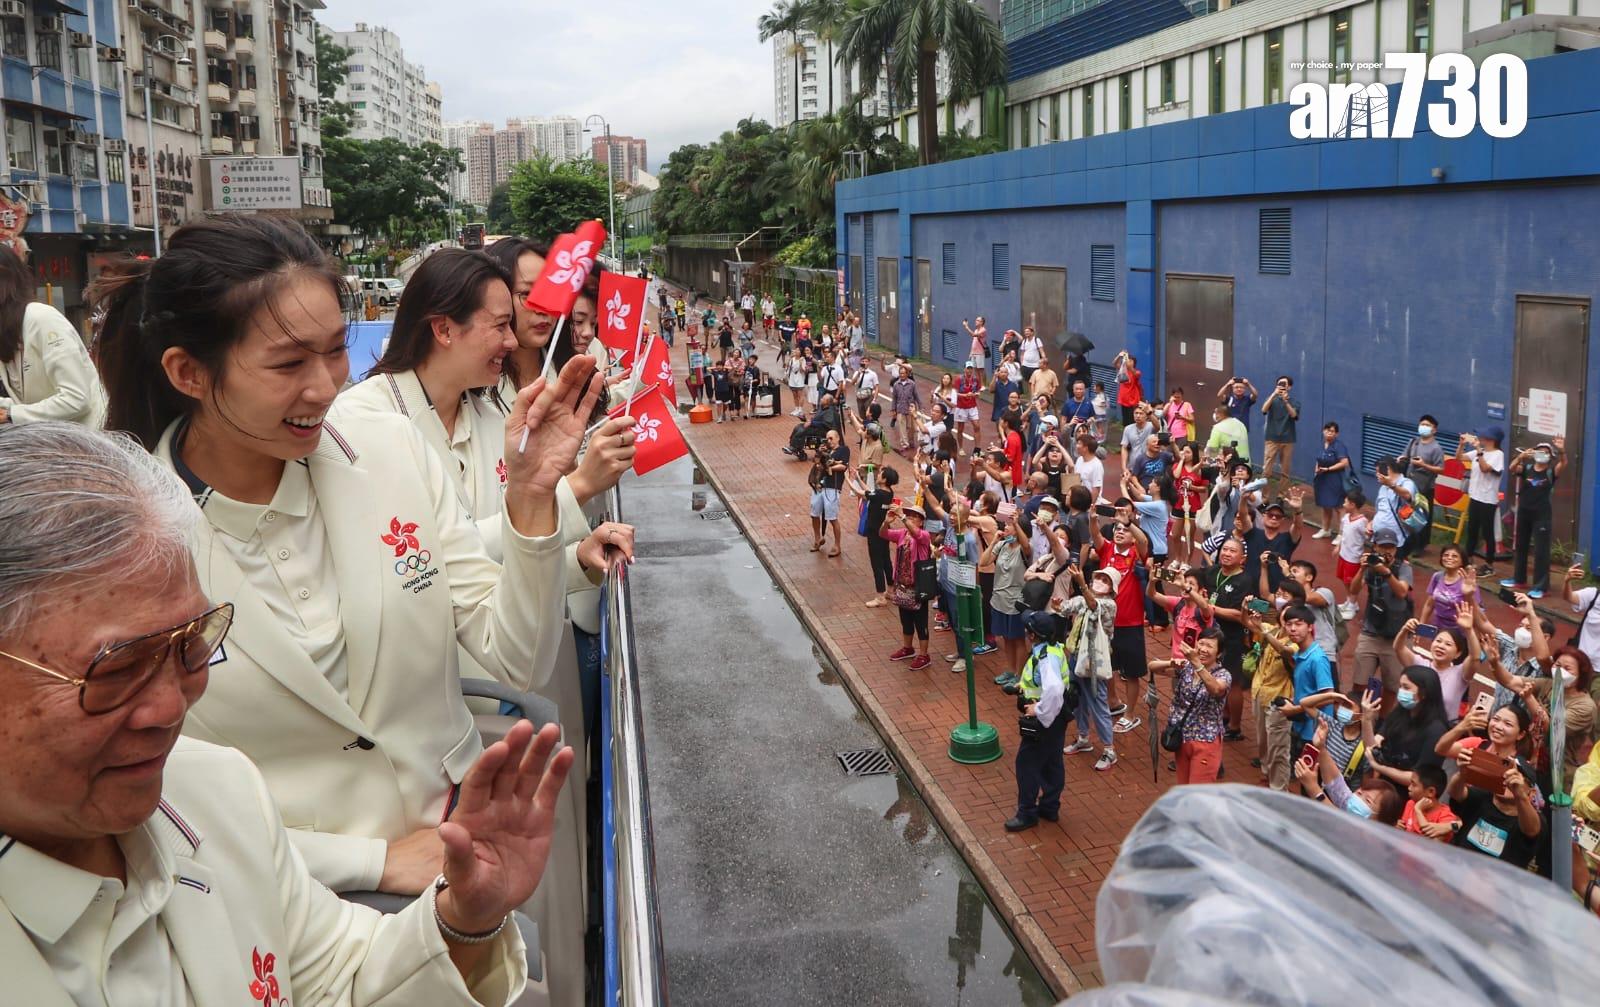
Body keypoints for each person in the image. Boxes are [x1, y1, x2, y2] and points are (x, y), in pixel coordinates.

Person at [92, 217, 587, 912]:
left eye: (334, 352)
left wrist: (532, 501)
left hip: (458, 847)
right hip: (285, 900)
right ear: (189, 373)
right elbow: (158, 797)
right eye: (289, 364)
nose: (326, 387)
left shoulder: (389, 450)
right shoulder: (126, 545)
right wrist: (373, 860)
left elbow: (516, 660)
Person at [0, 422, 567, 1004]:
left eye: (193, 644)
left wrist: (463, 918)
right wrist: (377, 863)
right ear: (187, 370)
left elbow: (344, 978)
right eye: (117, 671)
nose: (172, 707)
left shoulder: (218, 794)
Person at [0, 246, 107, 429]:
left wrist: (12, 414)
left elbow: (77, 398)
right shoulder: (8, 330)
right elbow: (26, 403)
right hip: (58, 443)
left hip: (91, 443)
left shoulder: (41, 318)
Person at [1446, 706, 1543, 868]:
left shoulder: (1529, 818)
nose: (1508, 779)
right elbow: (1456, 793)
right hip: (1458, 869)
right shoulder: (1484, 797)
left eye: (1517, 777)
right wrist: (1463, 774)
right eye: (1506, 774)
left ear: (1531, 792)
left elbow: (1532, 830)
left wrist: (1519, 795)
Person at [1005, 611, 1074, 831]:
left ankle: (1027, 813)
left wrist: (1039, 710)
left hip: (1047, 719)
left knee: (1026, 764)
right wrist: (1020, 687)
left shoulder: (1046, 656)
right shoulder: (1051, 649)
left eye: (1027, 629)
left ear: (1033, 635)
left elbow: (1053, 688)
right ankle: (1050, 807)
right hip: (1058, 717)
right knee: (1052, 762)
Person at [1089, 513, 1149, 733]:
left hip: (1131, 622)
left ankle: (1130, 714)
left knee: (1132, 673)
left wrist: (1129, 522)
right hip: (1107, 622)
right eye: (1117, 529)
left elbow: (1143, 541)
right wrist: (1093, 518)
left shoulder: (1136, 553)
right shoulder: (1107, 551)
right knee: (1108, 668)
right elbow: (1095, 534)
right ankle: (1112, 702)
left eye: (1125, 530)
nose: (1120, 531)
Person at [1150, 628, 1233, 784]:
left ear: (1219, 654)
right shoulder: (1187, 668)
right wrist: (1171, 662)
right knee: (1184, 790)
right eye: (1201, 643)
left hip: (1206, 742)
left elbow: (1215, 688)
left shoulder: (1223, 675)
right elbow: (1152, 666)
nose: (1203, 649)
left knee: (1199, 795)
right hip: (1182, 738)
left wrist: (1195, 662)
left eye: (1209, 646)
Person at [1294, 719, 1404, 824]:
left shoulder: (1367, 838)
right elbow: (1335, 784)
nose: (1359, 794)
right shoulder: (1351, 805)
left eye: (1368, 800)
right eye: (1360, 791)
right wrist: (1321, 747)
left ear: (1381, 820)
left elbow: (1338, 821)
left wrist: (1313, 788)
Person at [1197, 537, 1252, 740]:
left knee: (1233, 682)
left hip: (1233, 637)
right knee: (1216, 676)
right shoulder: (1212, 572)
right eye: (1224, 549)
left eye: (1232, 551)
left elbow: (1239, 614)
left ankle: (1235, 727)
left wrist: (1210, 608)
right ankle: (1224, 714)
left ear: (1242, 558)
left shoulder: (1245, 581)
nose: (1227, 554)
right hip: (1212, 636)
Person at [1502, 437, 1568, 597]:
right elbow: (1511, 468)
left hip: (1542, 515)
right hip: (1524, 513)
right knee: (1521, 546)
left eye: (1546, 452)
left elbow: (1563, 463)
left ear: (1550, 456)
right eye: (1540, 451)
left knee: (1541, 551)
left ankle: (1540, 587)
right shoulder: (1527, 468)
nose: (1542, 454)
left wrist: (1561, 449)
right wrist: (1521, 456)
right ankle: (1519, 579)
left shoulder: (1551, 472)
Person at [882, 501, 934, 671]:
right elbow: (883, 534)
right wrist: (886, 522)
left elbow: (917, 535)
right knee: (905, 619)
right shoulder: (902, 534)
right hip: (902, 584)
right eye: (908, 515)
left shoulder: (924, 536)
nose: (910, 518)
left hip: (918, 585)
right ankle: (908, 647)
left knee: (921, 621)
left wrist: (903, 517)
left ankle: (924, 655)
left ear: (921, 521)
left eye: (914, 517)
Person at [987, 508, 1033, 685]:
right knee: (1006, 638)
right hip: (999, 599)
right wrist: (993, 542)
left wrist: (1015, 522)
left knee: (1018, 638)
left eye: (1009, 525)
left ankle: (1019, 675)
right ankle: (1011, 669)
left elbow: (1026, 545)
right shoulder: (1002, 545)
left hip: (1016, 601)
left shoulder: (1024, 549)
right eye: (1006, 524)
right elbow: (984, 562)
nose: (1005, 528)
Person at [1456, 426, 1506, 577]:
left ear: (1492, 439)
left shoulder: (1498, 454)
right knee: (1472, 530)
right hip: (1475, 496)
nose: (1481, 438)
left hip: (1488, 499)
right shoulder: (1479, 451)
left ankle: (1489, 565)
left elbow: (1485, 469)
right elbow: (1459, 457)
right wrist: (1462, 444)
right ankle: (1468, 560)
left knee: (1487, 533)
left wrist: (1479, 451)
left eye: (1484, 437)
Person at [1397, 414, 1446, 555]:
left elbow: (1441, 469)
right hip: (1409, 485)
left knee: (1423, 516)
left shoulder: (1436, 448)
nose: (1423, 427)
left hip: (1426, 487)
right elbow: (1404, 456)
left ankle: (1421, 545)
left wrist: (1423, 465)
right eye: (1422, 424)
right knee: (1408, 512)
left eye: (1427, 425)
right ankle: (1409, 541)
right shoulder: (1413, 442)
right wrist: (1401, 459)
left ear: (1434, 429)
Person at [1417, 544, 1480, 629]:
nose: (1449, 558)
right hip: (1438, 627)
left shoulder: (1468, 583)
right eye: (1446, 555)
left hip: (1460, 629)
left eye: (1454, 556)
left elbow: (1477, 611)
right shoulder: (1437, 577)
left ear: (1462, 561)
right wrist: (1421, 625)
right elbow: (1429, 604)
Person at [810, 428, 850, 558]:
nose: (829, 441)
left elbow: (843, 466)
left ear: (838, 438)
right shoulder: (824, 450)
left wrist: (829, 467)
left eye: (831, 438)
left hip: (832, 487)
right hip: (819, 486)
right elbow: (816, 463)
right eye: (827, 438)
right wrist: (819, 453)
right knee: (814, 513)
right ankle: (818, 539)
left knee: (832, 517)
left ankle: (837, 545)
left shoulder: (843, 450)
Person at [1396, 764, 1461, 841]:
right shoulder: (1411, 803)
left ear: (1431, 792)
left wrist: (1418, 811)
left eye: (1414, 784)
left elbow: (1430, 843)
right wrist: (1397, 827)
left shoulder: (1446, 816)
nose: (1409, 787)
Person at [1259, 375, 1300, 496]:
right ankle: (1264, 497)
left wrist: (1286, 401)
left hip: (1287, 440)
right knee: (1266, 471)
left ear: (1290, 387)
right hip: (1271, 439)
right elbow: (1263, 410)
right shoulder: (1272, 399)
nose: (1282, 386)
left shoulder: (1294, 402)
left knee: (1285, 471)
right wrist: (1273, 394)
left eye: (1284, 384)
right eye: (1280, 384)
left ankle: (1281, 496)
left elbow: (1294, 415)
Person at [1311, 421, 1353, 539]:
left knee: (1339, 507)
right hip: (1322, 479)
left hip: (1336, 480)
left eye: (1332, 431)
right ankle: (1325, 529)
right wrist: (1316, 472)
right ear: (1323, 431)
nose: (1329, 433)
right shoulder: (1323, 445)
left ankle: (1341, 534)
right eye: (1327, 430)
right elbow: (1318, 460)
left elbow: (1345, 463)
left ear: (1337, 434)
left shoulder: (1339, 446)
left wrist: (1329, 469)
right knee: (1325, 505)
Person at [1119, 402, 1155, 472]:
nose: (1138, 416)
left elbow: (1158, 426)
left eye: (1141, 413)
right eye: (1136, 413)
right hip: (1133, 466)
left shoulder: (1151, 426)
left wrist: (1150, 413)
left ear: (1146, 416)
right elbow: (1124, 448)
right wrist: (1124, 467)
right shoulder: (1128, 429)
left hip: (1149, 466)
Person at [1113, 351, 1143, 426]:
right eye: (1128, 360)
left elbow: (1135, 374)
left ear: (1134, 363)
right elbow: (1114, 363)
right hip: (1124, 399)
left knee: (1132, 420)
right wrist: (1119, 356)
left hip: (1132, 399)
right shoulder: (1123, 370)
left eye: (1130, 361)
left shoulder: (1137, 372)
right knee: (1125, 421)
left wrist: (1130, 366)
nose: (1128, 362)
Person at [1074, 433, 1105, 502]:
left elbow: (1096, 489)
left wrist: (1090, 505)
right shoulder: (1079, 459)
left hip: (1089, 503)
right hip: (1078, 501)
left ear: (1086, 448)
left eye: (1079, 444)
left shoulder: (1097, 465)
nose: (1076, 446)